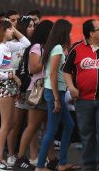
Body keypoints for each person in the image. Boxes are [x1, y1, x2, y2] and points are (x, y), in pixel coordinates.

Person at [63, 19, 99, 171]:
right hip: (83, 100)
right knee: (87, 135)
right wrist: (71, 87)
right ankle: (90, 165)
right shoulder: (77, 49)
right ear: (92, 33)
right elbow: (66, 70)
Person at [0, 20, 30, 171]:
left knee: (8, 124)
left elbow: (26, 42)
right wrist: (11, 76)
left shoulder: (7, 46)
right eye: (10, 29)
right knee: (6, 124)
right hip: (3, 87)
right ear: (3, 31)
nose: (13, 32)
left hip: (8, 87)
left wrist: (14, 30)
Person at [35, 19, 79, 171]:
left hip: (56, 91)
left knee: (69, 125)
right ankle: (40, 166)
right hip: (54, 92)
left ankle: (62, 163)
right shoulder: (58, 48)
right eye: (69, 31)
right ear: (64, 33)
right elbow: (52, 74)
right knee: (52, 130)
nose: (71, 34)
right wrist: (56, 98)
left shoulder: (54, 47)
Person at [14, 20, 56, 169]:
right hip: (37, 90)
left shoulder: (49, 48)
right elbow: (33, 68)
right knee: (32, 126)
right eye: (52, 31)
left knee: (48, 128)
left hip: (48, 89)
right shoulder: (37, 47)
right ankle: (20, 158)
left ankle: (52, 159)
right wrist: (51, 59)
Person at [7, 16, 35, 167]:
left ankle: (31, 155)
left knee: (32, 124)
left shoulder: (34, 45)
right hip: (15, 88)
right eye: (30, 26)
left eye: (33, 26)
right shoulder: (11, 44)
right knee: (15, 124)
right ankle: (11, 155)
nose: (32, 28)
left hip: (31, 88)